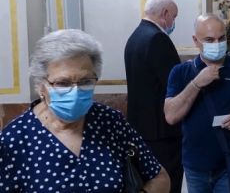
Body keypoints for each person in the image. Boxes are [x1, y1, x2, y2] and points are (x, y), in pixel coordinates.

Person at [1, 29, 171, 192]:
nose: (75, 91)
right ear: (41, 86)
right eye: (62, 83)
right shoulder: (14, 140)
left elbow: (159, 177)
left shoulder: (110, 121)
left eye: (85, 81)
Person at [164, 14, 230, 193]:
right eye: (209, 40)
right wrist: (196, 83)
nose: (217, 44)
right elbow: (171, 116)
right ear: (196, 41)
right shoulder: (181, 72)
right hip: (195, 165)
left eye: (221, 38)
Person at [124, 0, 183, 192]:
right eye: (174, 17)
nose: (173, 22)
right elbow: (174, 83)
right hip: (162, 131)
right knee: (168, 183)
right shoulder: (158, 38)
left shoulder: (135, 36)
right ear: (165, 14)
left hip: (141, 128)